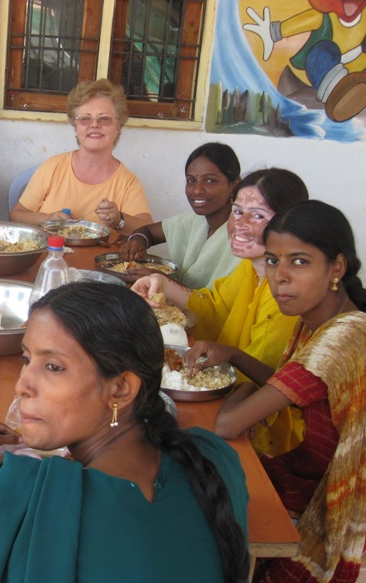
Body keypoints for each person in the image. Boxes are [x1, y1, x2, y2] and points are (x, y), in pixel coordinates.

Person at [0, 282, 249, 582]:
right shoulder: (213, 459)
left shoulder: (28, 497)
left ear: (121, 389)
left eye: (53, 367)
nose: (22, 385)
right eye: (26, 359)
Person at [213, 201, 366, 583]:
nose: (279, 277)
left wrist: (243, 388)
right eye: (272, 260)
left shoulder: (341, 339)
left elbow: (228, 425)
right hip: (305, 473)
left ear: (337, 267)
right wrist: (235, 356)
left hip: (328, 500)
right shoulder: (321, 322)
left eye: (299, 262)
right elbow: (291, 384)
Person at [132, 168, 309, 457]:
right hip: (229, 399)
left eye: (258, 216)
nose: (240, 225)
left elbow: (256, 382)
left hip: (261, 429)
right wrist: (160, 283)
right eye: (237, 212)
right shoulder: (252, 268)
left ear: (289, 225)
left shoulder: (285, 295)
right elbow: (213, 307)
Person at [9, 79, 153, 237]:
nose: (94, 125)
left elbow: (148, 230)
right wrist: (48, 219)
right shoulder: (52, 167)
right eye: (85, 118)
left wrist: (119, 220)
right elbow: (16, 215)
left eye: (104, 118)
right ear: (75, 126)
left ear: (118, 127)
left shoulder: (128, 182)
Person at [120, 142, 243, 288]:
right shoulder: (193, 221)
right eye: (191, 181)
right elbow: (148, 232)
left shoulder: (243, 237)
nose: (197, 190)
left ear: (234, 185)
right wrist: (136, 241)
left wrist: (165, 282)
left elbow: (219, 301)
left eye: (210, 181)